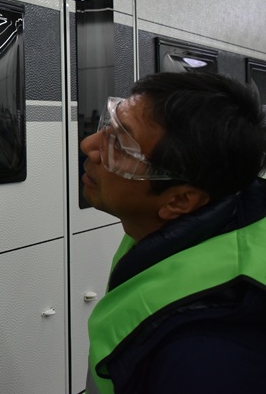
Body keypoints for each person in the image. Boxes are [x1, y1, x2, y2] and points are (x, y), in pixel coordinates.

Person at [81, 72, 266, 394]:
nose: (89, 145)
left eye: (120, 145)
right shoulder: (173, 233)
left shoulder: (205, 357)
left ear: (179, 201)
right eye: (108, 126)